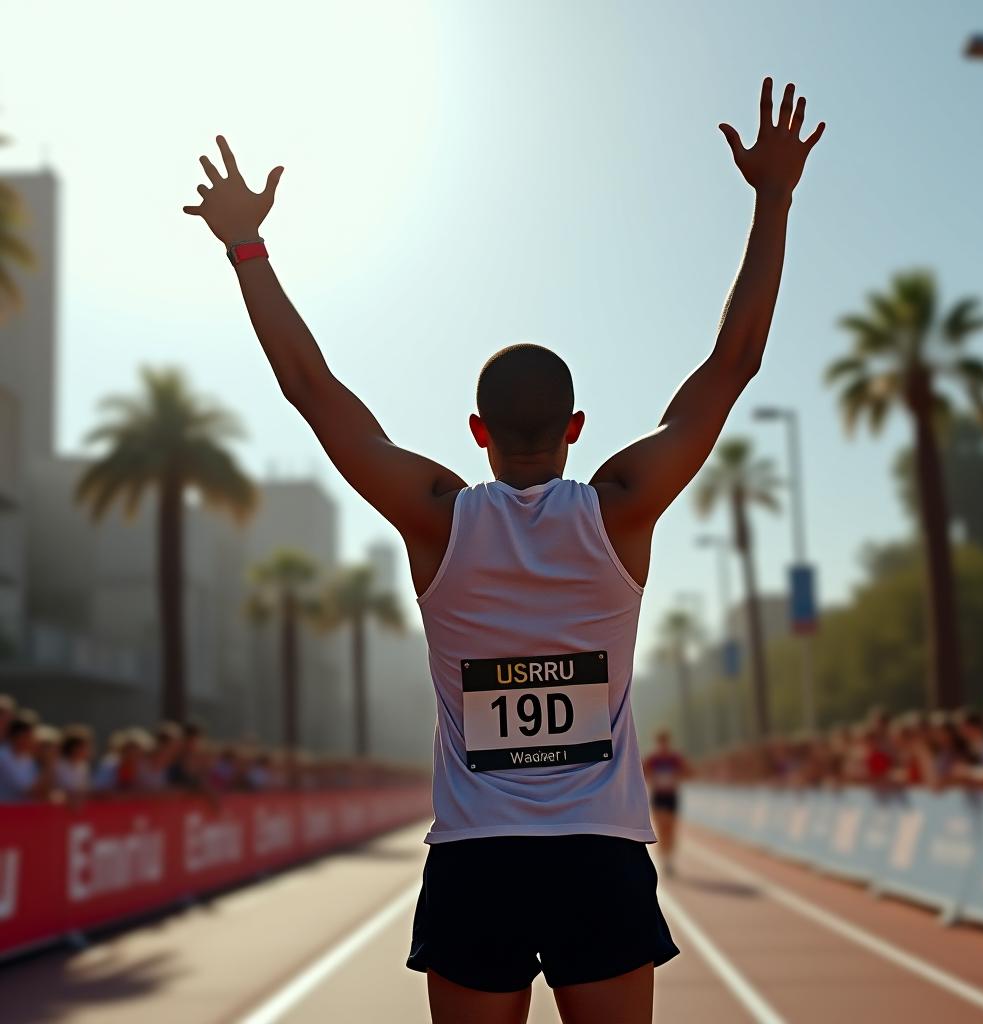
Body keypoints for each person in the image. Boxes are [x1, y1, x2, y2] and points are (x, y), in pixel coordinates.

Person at [184, 76, 824, 1024]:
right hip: (597, 854)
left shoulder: (438, 516)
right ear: (576, 427)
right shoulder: (621, 510)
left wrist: (247, 249)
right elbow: (734, 363)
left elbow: (310, 388)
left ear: (476, 432)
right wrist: (773, 198)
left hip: (476, 858)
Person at [643, 730, 691, 876]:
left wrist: (677, 778)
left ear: (667, 742)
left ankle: (669, 859)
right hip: (658, 796)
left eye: (665, 742)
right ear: (658, 743)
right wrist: (652, 780)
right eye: (661, 742)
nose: (663, 745)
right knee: (662, 828)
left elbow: (687, 771)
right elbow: (642, 771)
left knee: (670, 829)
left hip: (671, 796)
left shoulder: (674, 758)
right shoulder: (653, 759)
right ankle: (664, 859)